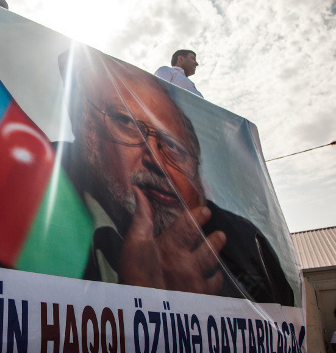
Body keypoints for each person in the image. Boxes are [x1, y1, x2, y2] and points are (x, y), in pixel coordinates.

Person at [57, 45, 294, 305]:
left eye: (174, 147)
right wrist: (145, 299)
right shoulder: (42, 196)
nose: (157, 160)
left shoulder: (244, 241)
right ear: (81, 123)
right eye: (128, 124)